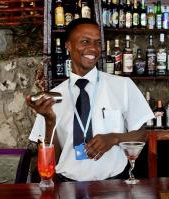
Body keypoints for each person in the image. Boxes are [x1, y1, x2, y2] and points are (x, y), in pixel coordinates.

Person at [26, 18, 154, 181]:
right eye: (85, 41)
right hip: (67, 186)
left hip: (114, 185)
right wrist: (49, 121)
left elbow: (142, 134)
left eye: (98, 43)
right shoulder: (53, 97)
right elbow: (52, 159)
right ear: (68, 46)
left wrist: (114, 138)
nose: (93, 48)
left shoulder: (122, 86)